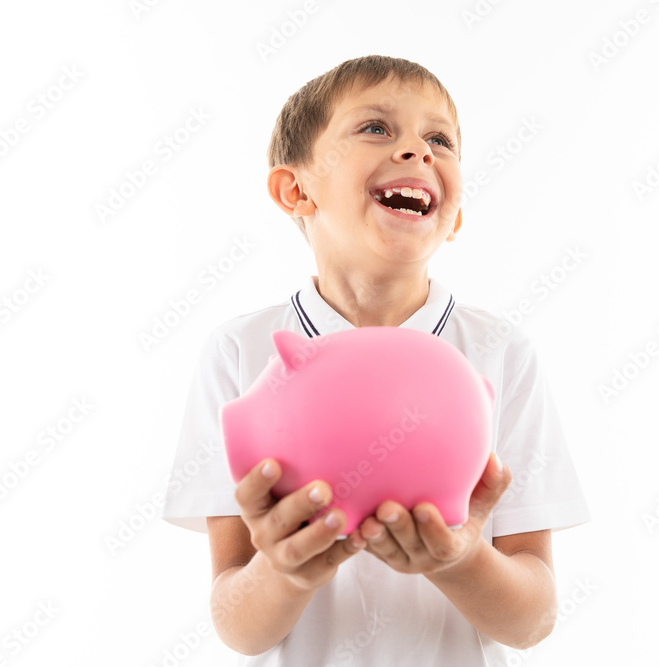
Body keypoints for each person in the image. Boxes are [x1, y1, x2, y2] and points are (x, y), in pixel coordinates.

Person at [162, 54, 590, 666]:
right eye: (375, 128)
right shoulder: (241, 351)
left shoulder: (502, 353)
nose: (418, 151)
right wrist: (285, 571)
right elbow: (238, 628)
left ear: (455, 217)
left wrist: (461, 559)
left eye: (440, 139)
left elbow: (532, 622)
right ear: (295, 190)